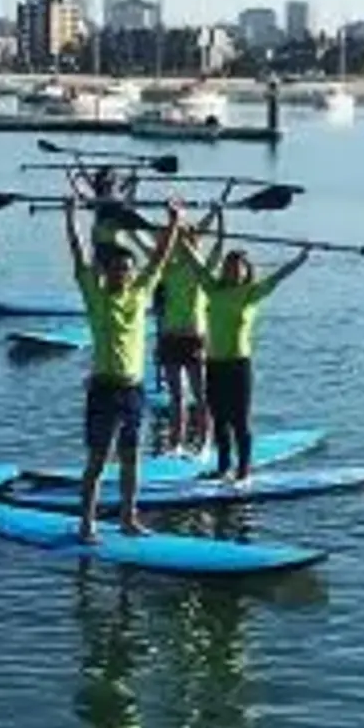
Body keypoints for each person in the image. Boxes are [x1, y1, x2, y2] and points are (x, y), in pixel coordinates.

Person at [65, 197, 183, 540]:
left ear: (132, 273)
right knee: (99, 461)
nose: (123, 274)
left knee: (131, 459)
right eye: (116, 269)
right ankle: (86, 524)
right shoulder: (95, 296)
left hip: (133, 389)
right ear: (107, 273)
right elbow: (77, 252)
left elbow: (160, 258)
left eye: (127, 269)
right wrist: (70, 216)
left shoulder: (141, 294)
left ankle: (128, 519)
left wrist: (174, 222)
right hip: (104, 388)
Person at [196, 240, 312, 482]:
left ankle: (243, 471)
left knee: (239, 421)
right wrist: (178, 233)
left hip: (238, 366)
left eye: (238, 268)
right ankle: (223, 467)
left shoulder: (251, 293)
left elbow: (279, 276)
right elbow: (193, 263)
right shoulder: (211, 288)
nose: (233, 271)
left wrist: (301, 258)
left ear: (246, 271)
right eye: (229, 267)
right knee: (218, 420)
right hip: (214, 364)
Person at [153, 205, 223, 454]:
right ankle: (176, 444)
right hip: (170, 337)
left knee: (201, 396)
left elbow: (218, 246)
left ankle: (204, 442)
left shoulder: (202, 269)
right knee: (177, 397)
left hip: (194, 338)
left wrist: (219, 216)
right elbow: (149, 246)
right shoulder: (167, 268)